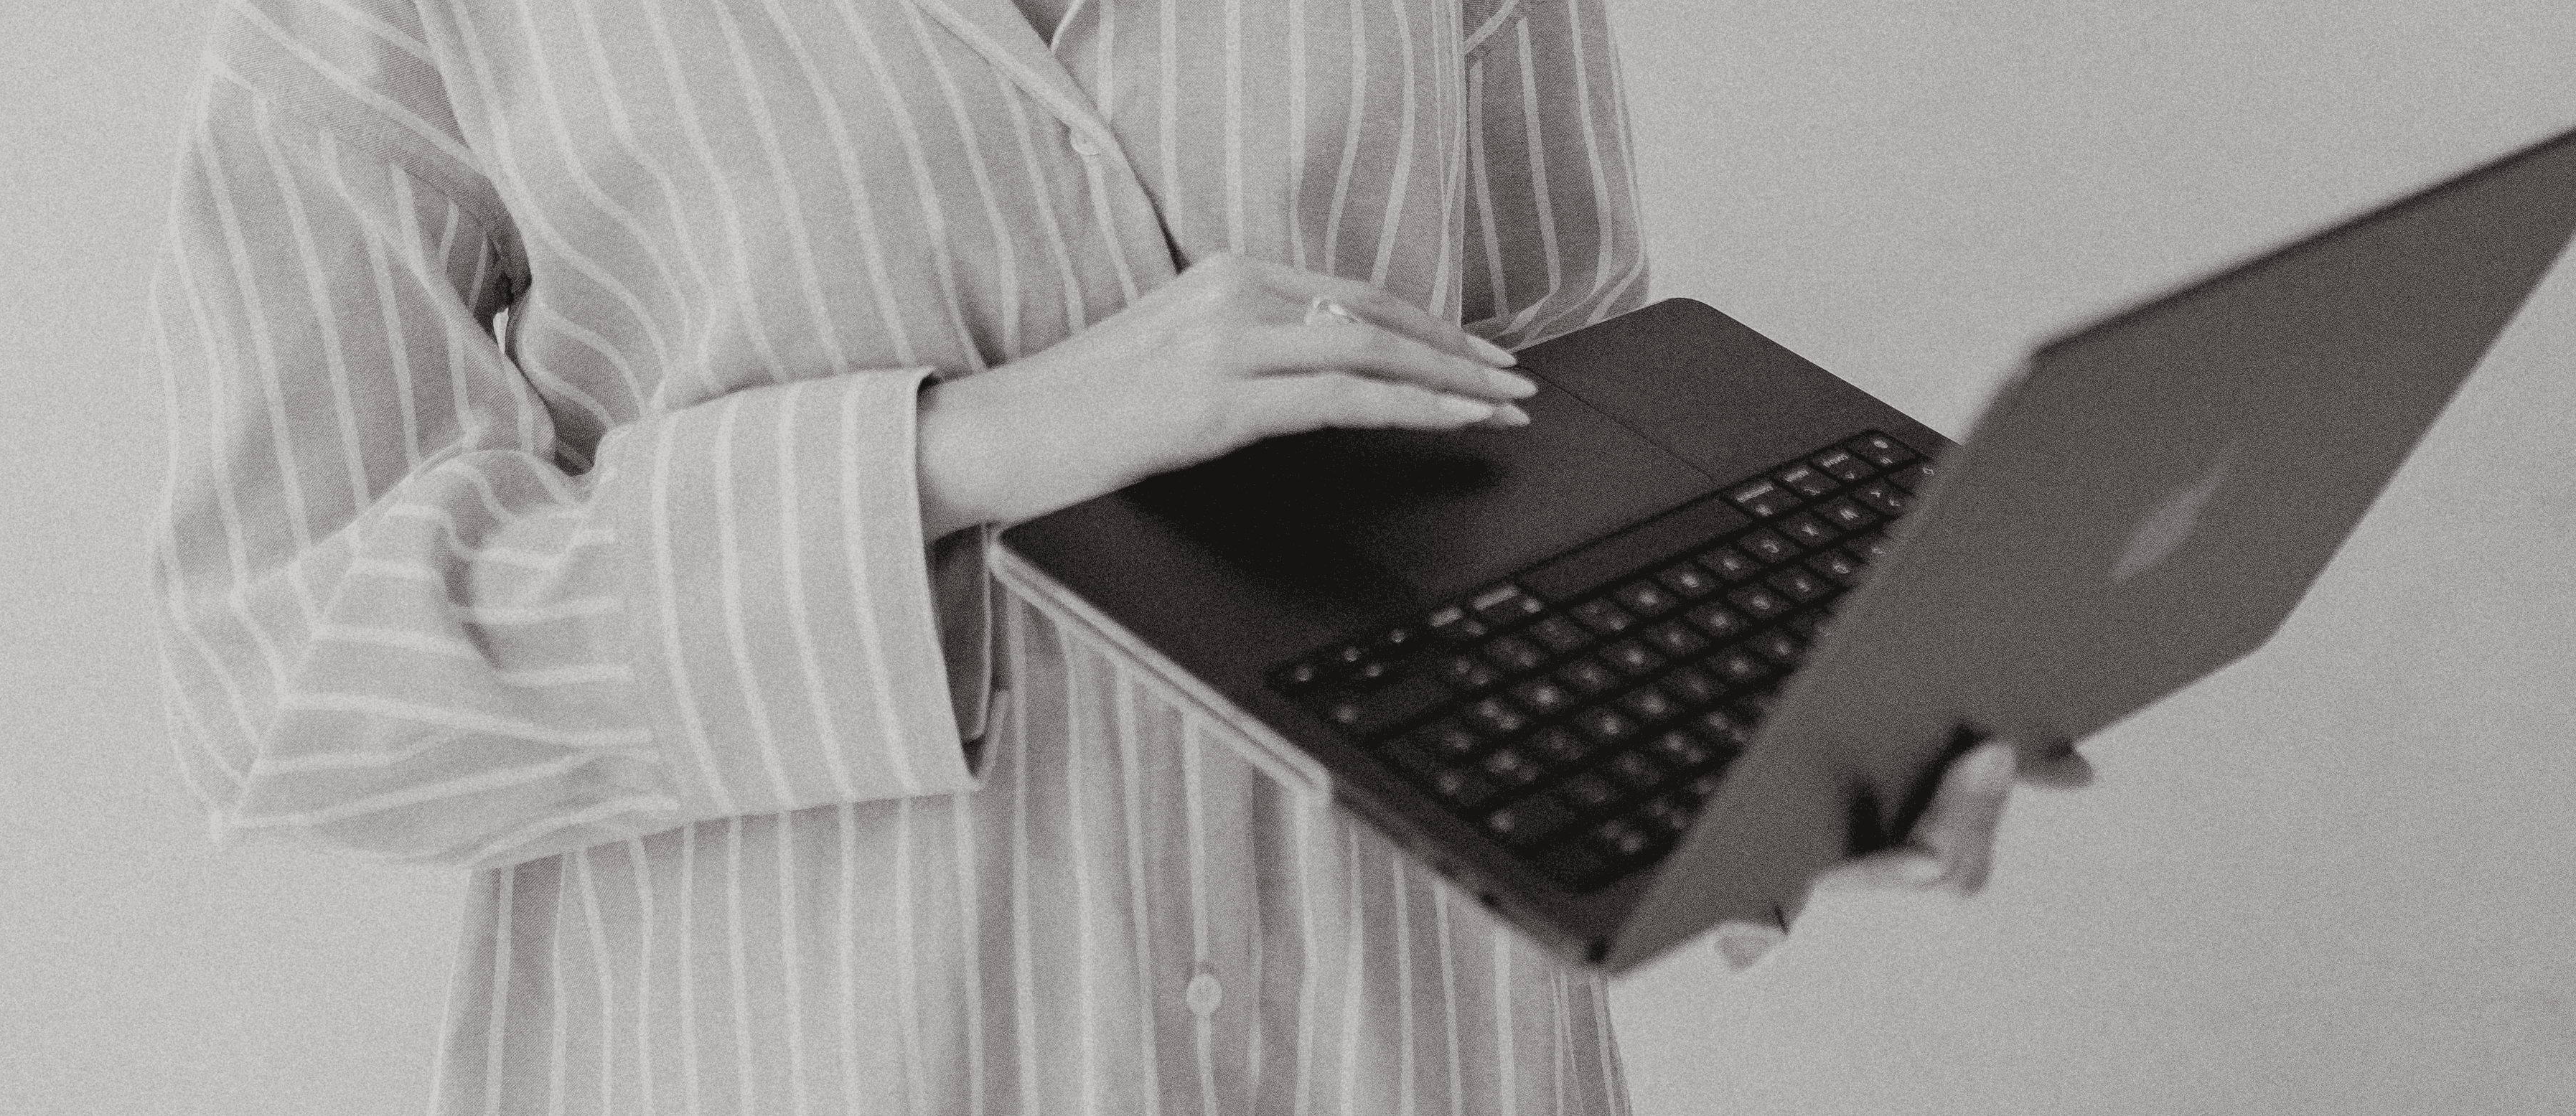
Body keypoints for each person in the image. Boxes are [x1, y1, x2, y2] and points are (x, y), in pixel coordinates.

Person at [149, 0, 2071, 1110]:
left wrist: (1761, 751)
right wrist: (957, 450)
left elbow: (1558, 390)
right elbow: (299, 661)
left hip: (1402, 1055)